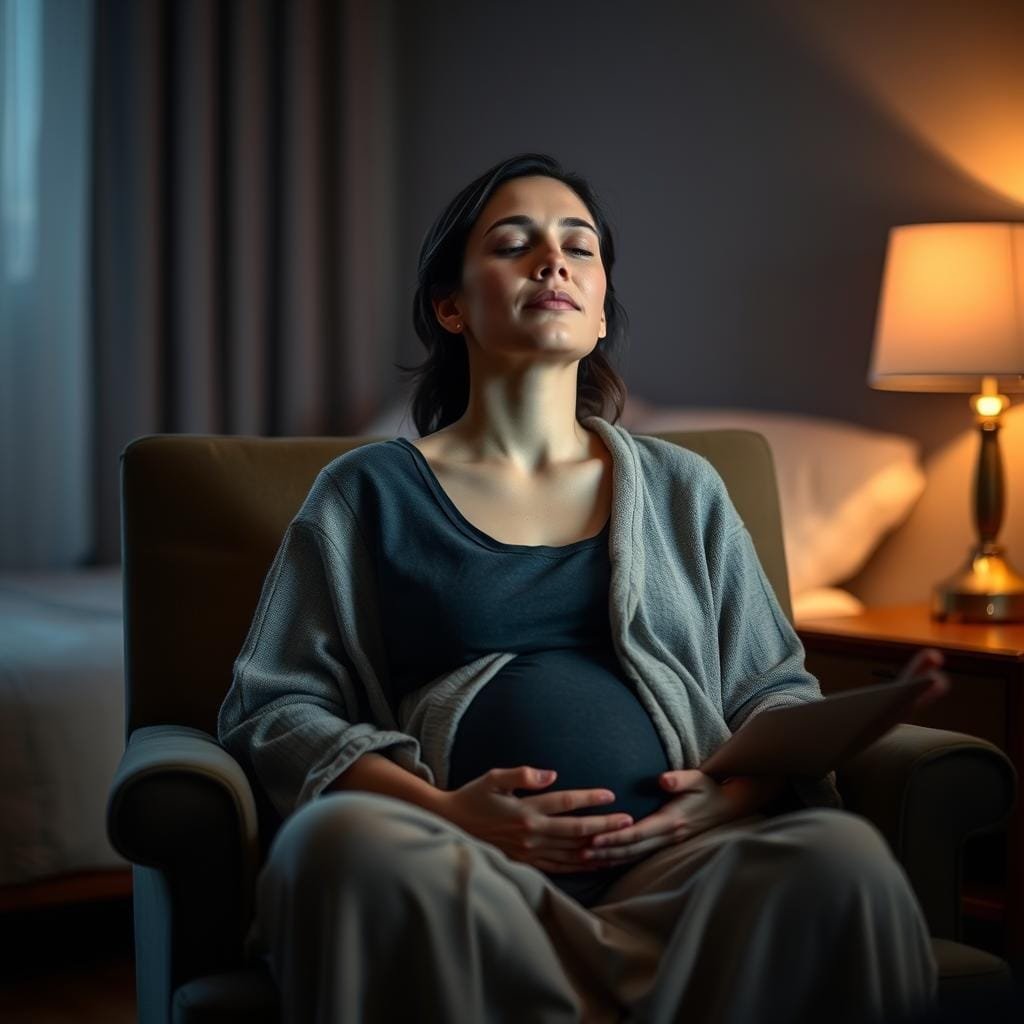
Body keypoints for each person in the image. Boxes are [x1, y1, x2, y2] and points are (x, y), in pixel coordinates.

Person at [217, 152, 950, 1024]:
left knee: (840, 861)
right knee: (334, 846)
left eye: (580, 247)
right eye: (512, 244)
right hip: (462, 870)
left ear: (599, 311)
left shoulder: (686, 489)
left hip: (676, 875)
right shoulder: (366, 490)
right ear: (450, 306)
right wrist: (448, 810)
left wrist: (733, 795)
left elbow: (771, 688)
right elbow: (274, 705)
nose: (553, 262)